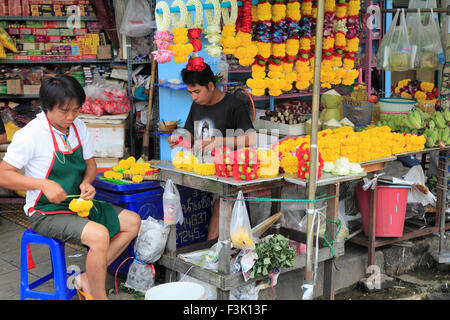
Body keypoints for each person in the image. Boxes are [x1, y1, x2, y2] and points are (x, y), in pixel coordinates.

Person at [0, 75, 141, 300]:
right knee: (99, 235)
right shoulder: (31, 135)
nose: (71, 117)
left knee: (133, 222)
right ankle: (99, 295)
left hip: (78, 204)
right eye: (64, 111)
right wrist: (42, 183)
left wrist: (86, 182)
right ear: (47, 108)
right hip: (45, 211)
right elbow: (3, 175)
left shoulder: (78, 126)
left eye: (75, 110)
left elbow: (90, 165)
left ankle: (86, 278)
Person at [168, 56, 256, 240]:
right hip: (201, 172)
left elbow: (251, 138)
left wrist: (220, 141)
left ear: (210, 85)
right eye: (190, 92)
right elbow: (190, 133)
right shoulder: (196, 105)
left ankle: (210, 254)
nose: (193, 97)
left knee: (221, 205)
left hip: (227, 175)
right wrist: (180, 137)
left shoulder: (234, 105)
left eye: (197, 91)